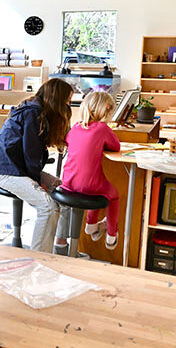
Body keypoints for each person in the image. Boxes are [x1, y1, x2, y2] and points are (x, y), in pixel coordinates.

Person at [0, 78, 73, 253]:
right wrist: (37, 182)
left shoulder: (37, 110)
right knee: (48, 207)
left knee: (65, 192)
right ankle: (39, 258)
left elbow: (31, 155)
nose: (68, 105)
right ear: (57, 99)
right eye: (67, 100)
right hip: (8, 171)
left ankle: (60, 246)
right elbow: (31, 154)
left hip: (19, 168)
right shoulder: (32, 113)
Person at [61, 91, 121, 250]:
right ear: (106, 111)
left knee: (100, 184)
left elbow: (69, 142)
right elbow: (116, 147)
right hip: (88, 186)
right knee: (112, 195)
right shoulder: (102, 128)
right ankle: (111, 237)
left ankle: (92, 225)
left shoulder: (76, 126)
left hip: (67, 183)